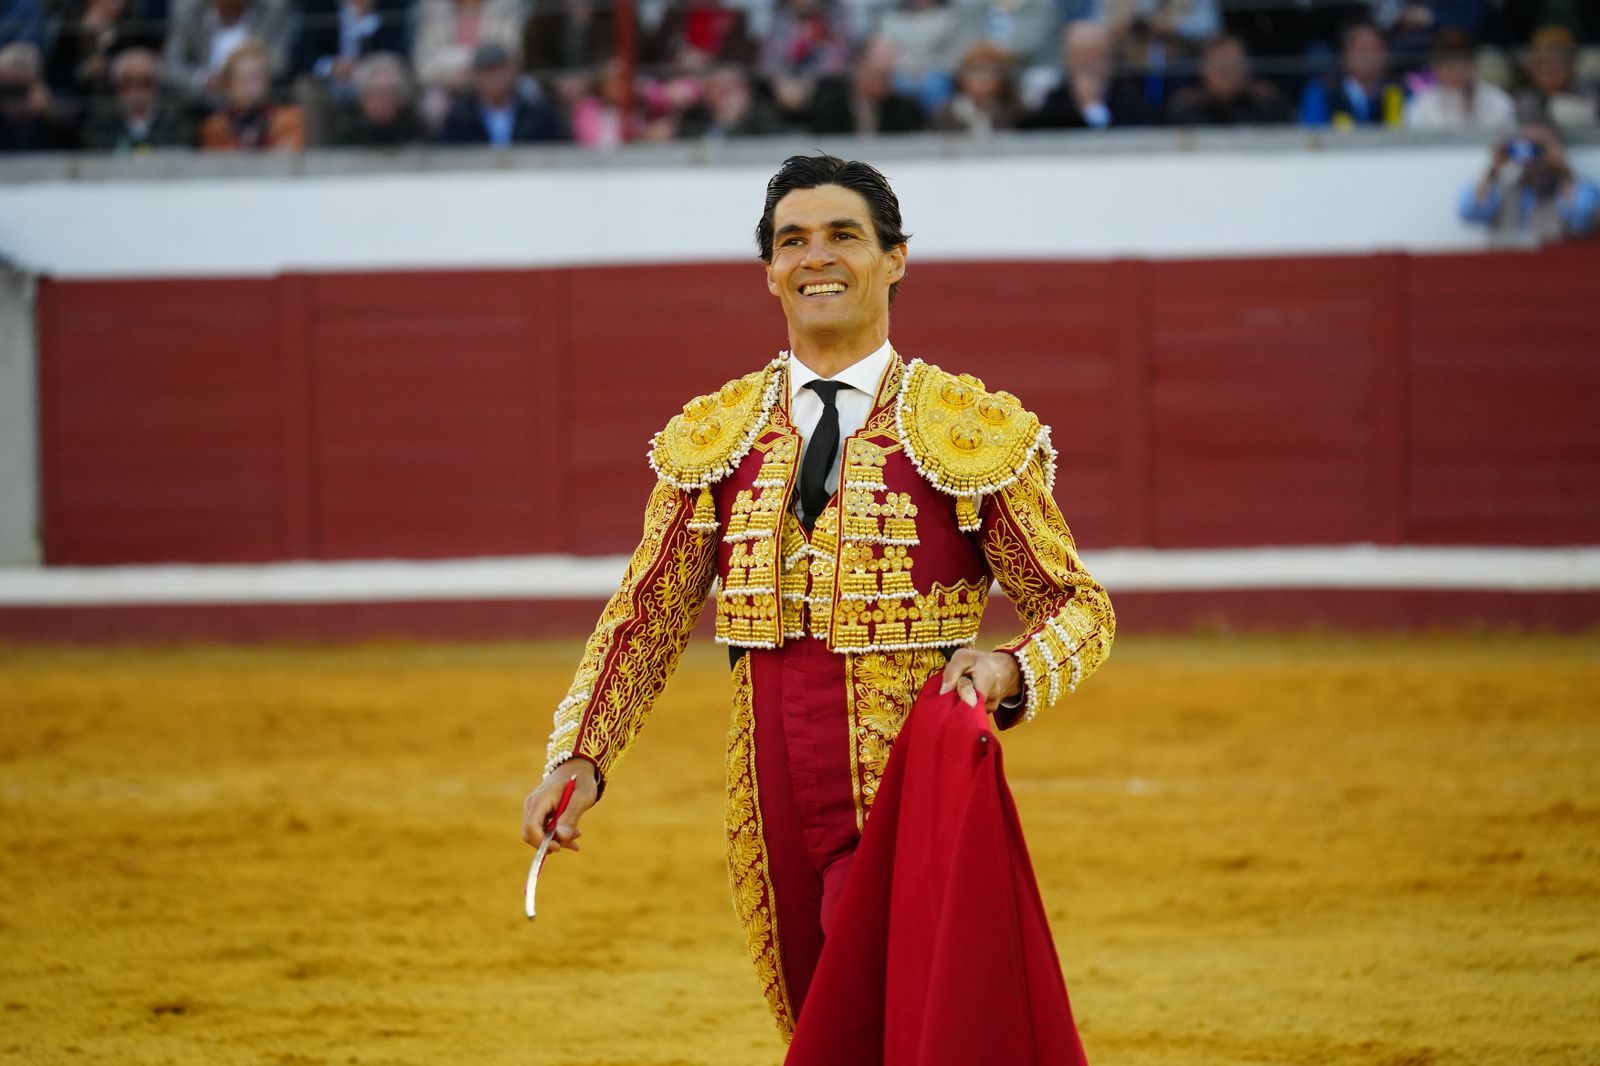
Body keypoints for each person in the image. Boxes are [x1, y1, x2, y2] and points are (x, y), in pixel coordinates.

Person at [520, 152, 1116, 1043]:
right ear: (769, 271)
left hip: (911, 777)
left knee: (906, 1019)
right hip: (767, 794)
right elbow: (644, 613)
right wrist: (581, 755)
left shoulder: (970, 432)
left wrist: (1008, 668)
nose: (817, 257)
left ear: (896, 259)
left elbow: (1080, 608)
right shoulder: (717, 435)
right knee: (817, 1025)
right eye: (793, 241)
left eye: (844, 235)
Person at [1459, 119, 1600, 246]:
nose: (1532, 154)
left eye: (1539, 146)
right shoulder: (1501, 188)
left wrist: (1562, 169)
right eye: (1526, 145)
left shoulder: (1575, 186)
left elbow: (1580, 214)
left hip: (1555, 266)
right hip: (1506, 265)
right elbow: (1469, 212)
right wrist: (1493, 169)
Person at [1023, 18, 1156, 129]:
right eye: (1080, 54)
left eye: (1096, 53)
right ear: (1067, 59)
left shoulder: (1131, 98)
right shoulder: (1054, 102)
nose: (1088, 62)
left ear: (1109, 57)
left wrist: (1093, 109)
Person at [163, 0, 294, 102]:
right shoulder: (187, 11)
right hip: (201, 107)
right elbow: (171, 66)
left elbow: (279, 61)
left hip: (260, 101)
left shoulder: (274, 8)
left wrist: (246, 79)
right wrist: (203, 80)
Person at [437, 40, 564, 145]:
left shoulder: (537, 114)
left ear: (512, 72)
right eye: (486, 72)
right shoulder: (459, 117)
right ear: (475, 76)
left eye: (499, 71)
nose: (493, 79)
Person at [197, 37, 305, 149]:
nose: (248, 87)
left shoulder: (289, 120)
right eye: (242, 79)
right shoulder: (214, 128)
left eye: (255, 78)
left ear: (268, 81)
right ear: (229, 83)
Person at [82, 45, 195, 150]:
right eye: (127, 82)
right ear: (116, 85)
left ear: (157, 84)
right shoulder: (101, 123)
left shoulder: (177, 121)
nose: (136, 90)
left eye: (145, 82)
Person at [1300, 19, 1407, 128]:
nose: (1369, 56)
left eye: (1375, 48)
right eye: (1362, 49)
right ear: (1346, 55)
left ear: (1386, 55)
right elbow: (1314, 135)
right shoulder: (1322, 90)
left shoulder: (1401, 90)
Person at [1166, 32, 1290, 125]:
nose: (1226, 73)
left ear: (1247, 67)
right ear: (1203, 70)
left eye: (1233, 64)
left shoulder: (1268, 104)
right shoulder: (1184, 108)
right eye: (1219, 65)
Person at [809, 36, 926, 133]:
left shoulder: (903, 110)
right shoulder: (830, 108)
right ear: (859, 66)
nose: (884, 83)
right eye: (877, 75)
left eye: (888, 76)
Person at [1405, 27, 1515, 131]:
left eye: (1462, 64)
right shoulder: (1421, 105)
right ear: (1436, 68)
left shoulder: (1499, 102)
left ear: (1473, 65)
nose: (1456, 72)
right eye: (1449, 66)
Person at [331, 50, 426, 145]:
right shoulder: (347, 130)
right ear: (362, 98)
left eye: (387, 94)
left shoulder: (416, 131)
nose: (381, 103)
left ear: (400, 99)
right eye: (374, 93)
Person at [1515, 25, 1598, 130]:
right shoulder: (1527, 99)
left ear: (1570, 68)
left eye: (1556, 69)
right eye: (1544, 71)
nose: (1549, 77)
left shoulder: (1591, 89)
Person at [0, 39, 77, 149]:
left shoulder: (58, 96)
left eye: (20, 89)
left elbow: (74, 127)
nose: (13, 96)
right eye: (7, 89)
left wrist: (49, 110)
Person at [931, 38, 1019, 132]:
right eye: (975, 70)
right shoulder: (946, 113)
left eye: (989, 71)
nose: (982, 79)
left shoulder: (1016, 114)